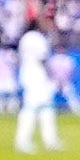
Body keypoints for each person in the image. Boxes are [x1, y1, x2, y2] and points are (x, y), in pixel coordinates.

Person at [13, 25, 60, 153]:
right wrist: (51, 74)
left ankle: (50, 140)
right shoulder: (37, 37)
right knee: (32, 107)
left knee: (46, 107)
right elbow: (43, 58)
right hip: (37, 75)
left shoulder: (25, 37)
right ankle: (22, 141)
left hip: (27, 73)